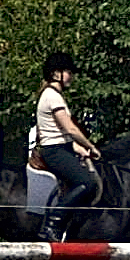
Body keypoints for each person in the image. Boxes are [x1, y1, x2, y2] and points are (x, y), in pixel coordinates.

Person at [32, 52, 103, 242]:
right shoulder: (52, 96)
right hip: (54, 151)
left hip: (61, 147)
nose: (71, 76)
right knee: (86, 183)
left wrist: (80, 150)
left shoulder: (53, 95)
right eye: (68, 72)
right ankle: (52, 223)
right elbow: (70, 129)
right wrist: (91, 146)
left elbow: (61, 134)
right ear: (56, 74)